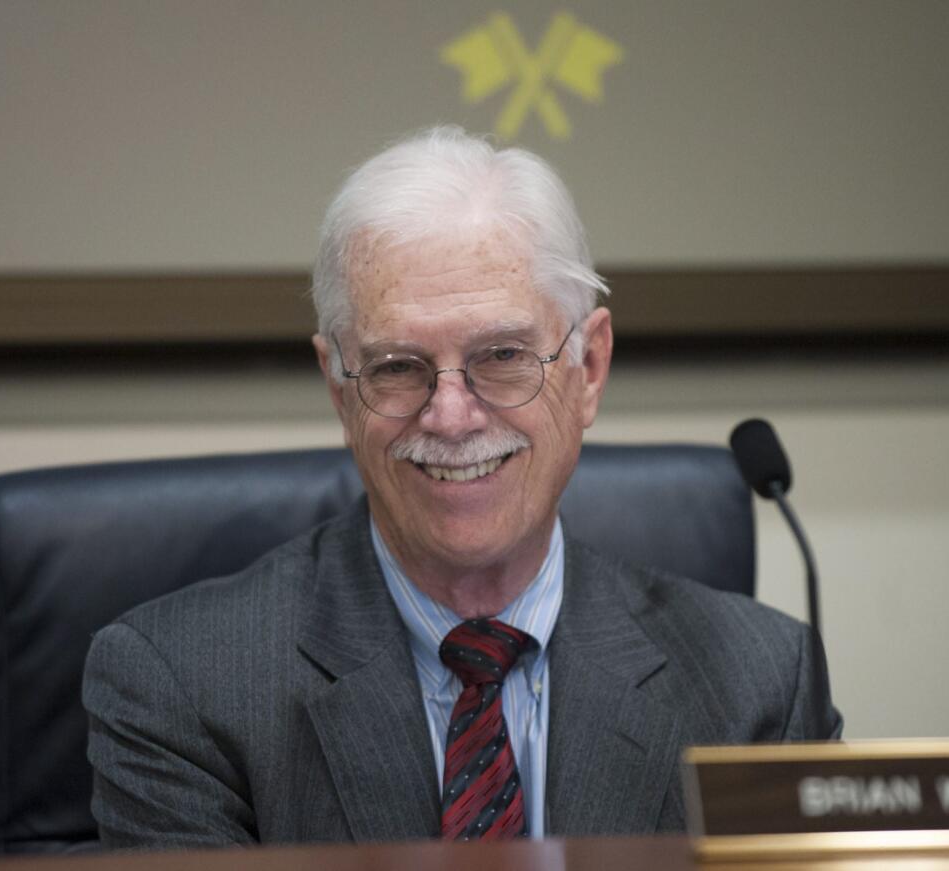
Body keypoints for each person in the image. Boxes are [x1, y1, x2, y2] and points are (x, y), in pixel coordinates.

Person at [82, 126, 842, 849]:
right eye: (396, 366)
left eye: (503, 354)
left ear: (589, 370)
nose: (450, 416)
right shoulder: (182, 686)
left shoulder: (758, 685)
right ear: (341, 390)